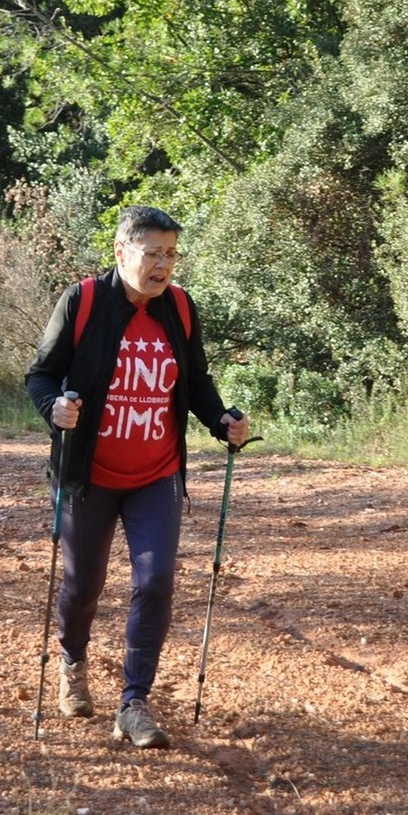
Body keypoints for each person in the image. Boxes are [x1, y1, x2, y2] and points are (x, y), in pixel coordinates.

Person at [24, 205, 250, 749]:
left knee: (155, 581)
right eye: (153, 254)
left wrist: (221, 419)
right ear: (122, 252)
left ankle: (134, 702)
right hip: (88, 475)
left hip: (156, 473)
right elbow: (41, 375)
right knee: (83, 586)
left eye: (171, 254)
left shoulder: (180, 307)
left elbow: (196, 381)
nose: (163, 265)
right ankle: (73, 660)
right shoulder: (83, 301)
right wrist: (55, 408)